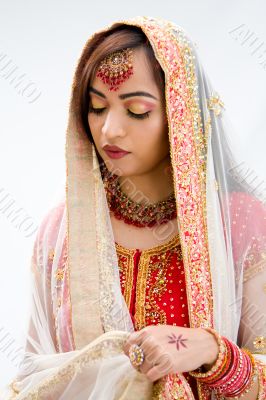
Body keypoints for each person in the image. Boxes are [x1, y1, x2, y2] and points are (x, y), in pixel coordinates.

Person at [1, 16, 265, 400]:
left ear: (181, 113)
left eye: (136, 110)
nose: (109, 130)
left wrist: (211, 351)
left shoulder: (239, 224)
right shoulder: (64, 230)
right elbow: (37, 378)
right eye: (96, 107)